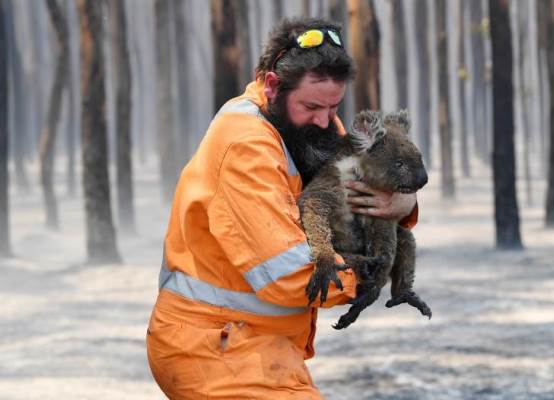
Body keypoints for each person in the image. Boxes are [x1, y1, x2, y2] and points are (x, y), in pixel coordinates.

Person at [146, 17, 419, 399]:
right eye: (312, 106)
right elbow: (290, 275)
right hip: (213, 348)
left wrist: (404, 203)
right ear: (273, 86)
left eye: (334, 106)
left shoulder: (307, 122)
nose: (327, 120)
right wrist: (373, 272)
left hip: (258, 345)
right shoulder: (245, 145)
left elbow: (363, 186)